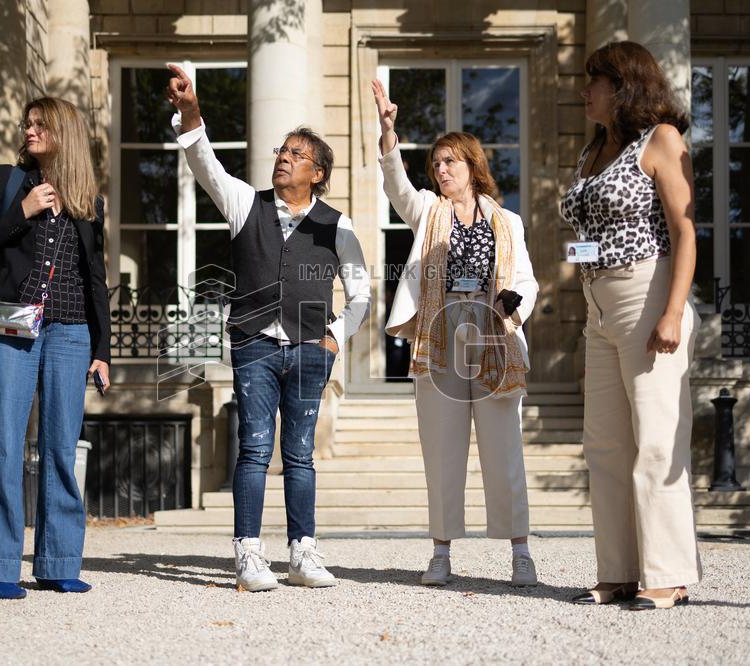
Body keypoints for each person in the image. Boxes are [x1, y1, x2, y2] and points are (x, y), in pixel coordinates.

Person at [166, 65, 370, 592]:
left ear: (318, 173)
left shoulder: (336, 224)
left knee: (300, 455)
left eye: (297, 154)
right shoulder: (243, 203)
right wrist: (191, 111)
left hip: (309, 349)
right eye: (282, 151)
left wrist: (334, 337)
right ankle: (248, 555)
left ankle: (302, 554)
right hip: (254, 343)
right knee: (256, 448)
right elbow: (203, 162)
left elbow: (362, 292)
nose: (284, 157)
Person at [372, 79, 540, 587]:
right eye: (437, 165)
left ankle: (520, 552)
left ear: (473, 167)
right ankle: (441, 552)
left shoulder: (507, 221)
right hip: (440, 335)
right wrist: (387, 133)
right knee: (442, 449)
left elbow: (527, 280)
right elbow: (396, 187)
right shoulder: (427, 210)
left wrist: (513, 305)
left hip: (493, 337)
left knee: (503, 447)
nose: (441, 171)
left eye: (450, 162)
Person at [561, 41, 701, 610]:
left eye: (593, 80)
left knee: (657, 438)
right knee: (606, 443)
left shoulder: (662, 139)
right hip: (598, 303)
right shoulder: (593, 150)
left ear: (623, 84)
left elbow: (687, 231)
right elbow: (582, 234)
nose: (584, 91)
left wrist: (672, 312)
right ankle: (618, 570)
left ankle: (666, 573)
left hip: (647, 291)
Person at [0, 97, 110, 600]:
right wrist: (21, 213)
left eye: (39, 124)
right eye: (26, 123)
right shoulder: (6, 182)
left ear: (62, 131)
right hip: (10, 326)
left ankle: (58, 561)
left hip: (70, 334)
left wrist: (103, 349)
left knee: (61, 450)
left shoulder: (89, 200)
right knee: (2, 446)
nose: (28, 130)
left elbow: (95, 278)